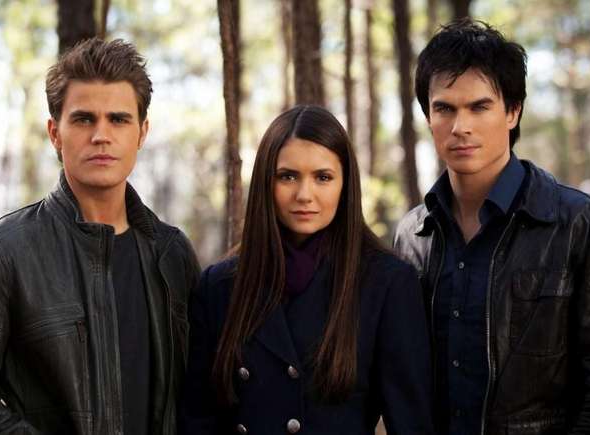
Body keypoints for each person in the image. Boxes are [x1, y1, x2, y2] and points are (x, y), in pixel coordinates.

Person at [0, 38, 200, 435]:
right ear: (55, 133)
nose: (101, 135)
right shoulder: (1, 252)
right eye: (84, 119)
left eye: (118, 120)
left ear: (142, 132)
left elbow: (198, 392)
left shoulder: (172, 253)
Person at [393, 19, 590, 435]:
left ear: (513, 111)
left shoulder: (581, 225)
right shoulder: (412, 235)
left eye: (479, 107)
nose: (460, 127)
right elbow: (402, 380)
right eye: (444, 108)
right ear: (428, 115)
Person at [179, 105, 433, 435]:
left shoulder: (386, 282)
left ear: (345, 184)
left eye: (323, 177)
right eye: (288, 176)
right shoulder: (220, 285)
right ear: (266, 183)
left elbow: (411, 423)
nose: (304, 195)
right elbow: (198, 419)